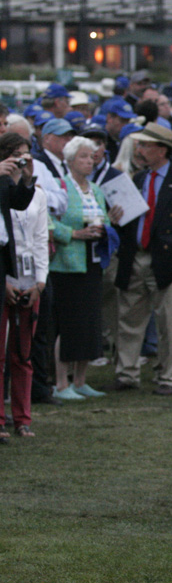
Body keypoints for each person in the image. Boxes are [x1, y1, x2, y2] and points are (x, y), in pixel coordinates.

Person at [108, 123, 172, 396]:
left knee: (169, 322)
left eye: (146, 145)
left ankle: (170, 377)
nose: (140, 149)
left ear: (162, 150)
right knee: (128, 319)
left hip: (165, 261)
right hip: (135, 257)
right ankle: (126, 373)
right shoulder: (137, 179)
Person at [49, 137, 122, 400]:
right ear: (69, 161)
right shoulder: (61, 187)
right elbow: (48, 222)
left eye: (91, 157)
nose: (89, 161)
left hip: (93, 262)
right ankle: (60, 382)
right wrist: (74, 234)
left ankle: (80, 380)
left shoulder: (96, 190)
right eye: (83, 156)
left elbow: (103, 221)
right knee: (69, 323)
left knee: (89, 323)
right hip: (68, 265)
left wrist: (108, 227)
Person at [0, 133, 48, 439]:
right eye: (15, 154)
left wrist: (26, 180)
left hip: (20, 270)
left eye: (25, 154)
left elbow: (18, 203)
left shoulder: (10, 181)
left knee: (22, 352)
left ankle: (22, 418)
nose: (21, 159)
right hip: (6, 271)